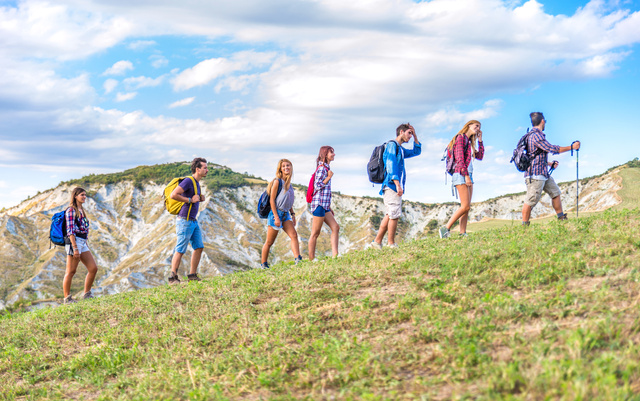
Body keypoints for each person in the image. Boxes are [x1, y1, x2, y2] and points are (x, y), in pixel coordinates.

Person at [521, 112, 580, 225]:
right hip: (535, 175)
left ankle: (561, 218)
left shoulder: (532, 135)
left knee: (555, 192)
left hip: (542, 173)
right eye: (545, 121)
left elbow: (534, 155)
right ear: (542, 121)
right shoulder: (535, 135)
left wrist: (549, 164)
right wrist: (571, 147)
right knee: (531, 200)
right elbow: (551, 148)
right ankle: (524, 227)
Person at [371, 123, 421, 249]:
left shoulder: (400, 148)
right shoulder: (392, 145)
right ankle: (391, 243)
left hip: (392, 185)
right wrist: (398, 185)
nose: (410, 136)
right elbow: (391, 164)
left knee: (390, 214)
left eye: (411, 134)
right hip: (391, 185)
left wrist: (415, 136)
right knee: (394, 215)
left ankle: (376, 243)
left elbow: (416, 151)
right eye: (409, 133)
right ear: (401, 132)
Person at [439, 120, 485, 239]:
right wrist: (466, 176)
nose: (478, 128)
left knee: (467, 206)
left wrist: (480, 140)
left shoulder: (469, 142)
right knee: (465, 206)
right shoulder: (460, 138)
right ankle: (445, 228)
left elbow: (480, 156)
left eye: (479, 127)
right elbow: (459, 160)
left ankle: (462, 232)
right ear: (468, 125)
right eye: (476, 125)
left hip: (468, 173)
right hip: (461, 174)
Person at [168, 157, 208, 284]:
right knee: (180, 249)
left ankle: (192, 275)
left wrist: (199, 199)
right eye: (205, 168)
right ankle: (172, 278)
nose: (207, 170)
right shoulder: (188, 181)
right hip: (184, 220)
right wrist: (190, 200)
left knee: (199, 247)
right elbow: (173, 195)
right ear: (198, 169)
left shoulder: (196, 183)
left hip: (192, 221)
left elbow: (193, 198)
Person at [261, 159, 302, 268]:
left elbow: (288, 201)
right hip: (276, 214)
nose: (286, 168)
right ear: (280, 169)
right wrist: (276, 217)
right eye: (283, 166)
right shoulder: (277, 182)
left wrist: (293, 214)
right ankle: (263, 264)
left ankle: (298, 259)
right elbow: (272, 200)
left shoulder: (289, 184)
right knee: (269, 242)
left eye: (288, 165)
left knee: (294, 235)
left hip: (286, 213)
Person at [62, 187, 98, 304]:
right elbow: (70, 231)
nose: (84, 197)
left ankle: (87, 294)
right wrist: (75, 248)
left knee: (93, 268)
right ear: (75, 196)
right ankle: (67, 298)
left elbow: (84, 229)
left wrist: (85, 244)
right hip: (74, 242)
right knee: (71, 271)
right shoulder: (71, 210)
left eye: (85, 195)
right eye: (82, 195)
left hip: (82, 242)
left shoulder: (81, 210)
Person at [308, 146, 340, 260]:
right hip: (319, 205)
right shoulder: (322, 168)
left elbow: (325, 191)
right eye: (332, 152)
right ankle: (311, 259)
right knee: (315, 233)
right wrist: (329, 177)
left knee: (335, 227)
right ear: (325, 154)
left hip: (324, 205)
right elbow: (317, 186)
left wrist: (329, 206)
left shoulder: (326, 168)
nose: (334, 154)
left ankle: (335, 256)